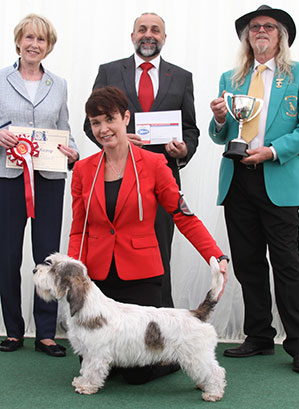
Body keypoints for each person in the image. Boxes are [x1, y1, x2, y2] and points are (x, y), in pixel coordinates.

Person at [68, 86, 228, 384]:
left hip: (141, 276)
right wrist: (75, 272)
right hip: (98, 282)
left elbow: (184, 216)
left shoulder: (155, 165)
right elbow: (79, 227)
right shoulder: (82, 170)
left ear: (126, 117)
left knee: (137, 374)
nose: (103, 129)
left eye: (109, 119)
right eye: (95, 123)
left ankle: (174, 352)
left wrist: (215, 255)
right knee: (98, 357)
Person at [83, 12, 199, 308]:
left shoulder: (182, 76)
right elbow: (90, 123)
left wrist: (183, 149)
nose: (149, 34)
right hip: (116, 176)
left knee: (160, 255)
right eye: (142, 29)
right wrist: (120, 139)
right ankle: (110, 328)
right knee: (113, 249)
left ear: (164, 37)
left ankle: (163, 332)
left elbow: (190, 129)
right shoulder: (109, 72)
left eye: (156, 30)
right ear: (132, 36)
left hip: (160, 180)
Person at [209, 5, 299, 373]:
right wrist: (218, 119)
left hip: (278, 178)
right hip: (238, 180)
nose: (260, 31)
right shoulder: (229, 78)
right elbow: (220, 135)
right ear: (247, 37)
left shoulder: (296, 78)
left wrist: (273, 151)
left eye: (268, 26)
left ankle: (297, 343)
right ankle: (259, 336)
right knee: (248, 263)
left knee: (288, 264)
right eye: (254, 27)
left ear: (280, 36)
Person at [0, 14, 79, 356]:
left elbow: (65, 126)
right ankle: (14, 330)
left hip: (48, 179)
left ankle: (46, 332)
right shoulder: (1, 79)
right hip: (8, 178)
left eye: (41, 40)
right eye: (29, 37)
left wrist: (73, 151)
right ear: (18, 40)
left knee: (47, 257)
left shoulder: (58, 84)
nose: (34, 44)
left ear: (48, 46)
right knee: (7, 256)